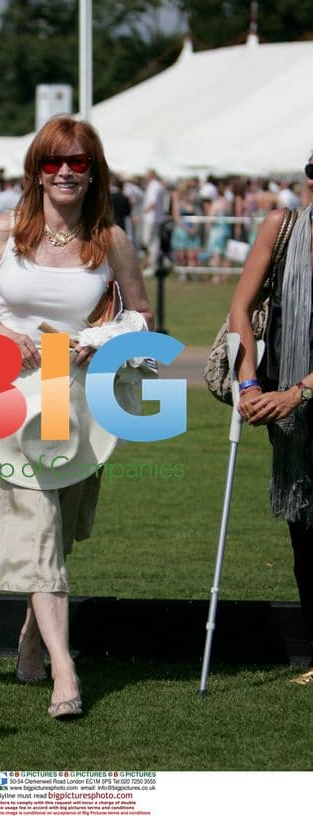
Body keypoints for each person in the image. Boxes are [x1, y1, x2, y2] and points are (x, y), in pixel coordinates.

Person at [0, 116, 154, 717]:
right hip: (12, 397)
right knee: (41, 520)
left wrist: (102, 336)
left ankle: (29, 642)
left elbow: (143, 315)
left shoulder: (112, 239)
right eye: (54, 163)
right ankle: (64, 673)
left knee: (58, 529)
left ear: (92, 170)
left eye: (77, 163)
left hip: (77, 398)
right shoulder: (5, 230)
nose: (65, 173)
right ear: (37, 170)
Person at [229, 153, 313, 685]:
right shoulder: (281, 229)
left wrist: (297, 393)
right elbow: (241, 310)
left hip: (296, 399)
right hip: (291, 418)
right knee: (305, 536)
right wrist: (249, 382)